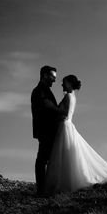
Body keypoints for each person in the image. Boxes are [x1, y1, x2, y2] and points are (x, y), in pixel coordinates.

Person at [31, 65, 67, 196]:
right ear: (45, 75)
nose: (54, 80)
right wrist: (61, 111)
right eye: (53, 77)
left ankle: (46, 188)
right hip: (45, 130)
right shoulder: (39, 91)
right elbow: (47, 107)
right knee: (42, 159)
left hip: (49, 129)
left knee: (46, 158)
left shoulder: (45, 90)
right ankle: (41, 189)